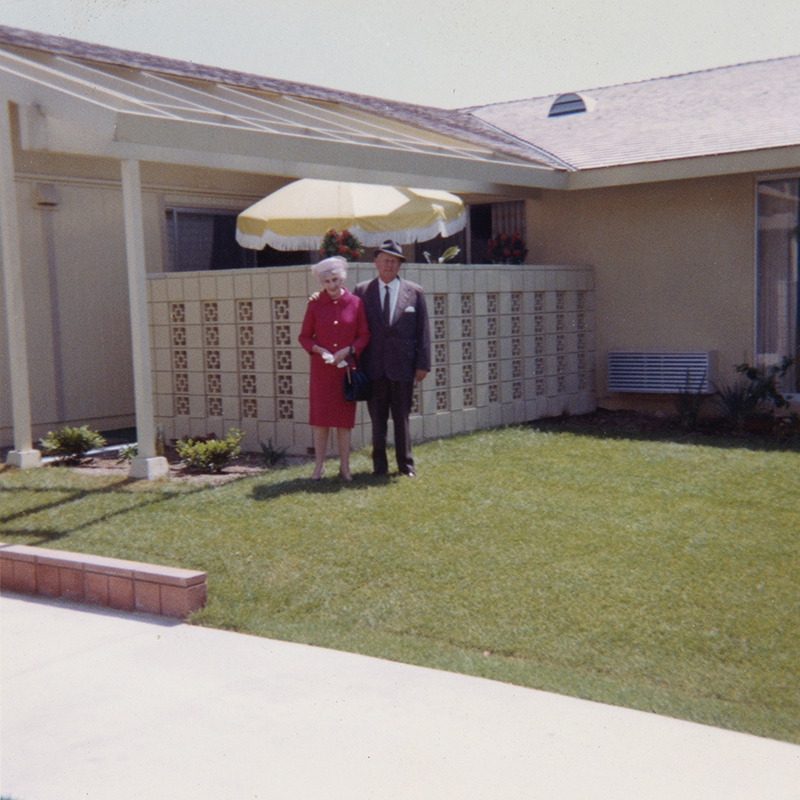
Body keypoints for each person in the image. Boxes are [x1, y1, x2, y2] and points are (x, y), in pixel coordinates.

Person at [353, 240, 431, 477]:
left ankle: (405, 465)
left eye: (394, 261)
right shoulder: (362, 291)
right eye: (385, 260)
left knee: (401, 418)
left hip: (403, 366)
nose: (389, 265)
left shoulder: (415, 292)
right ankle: (379, 466)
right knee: (377, 420)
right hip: (373, 366)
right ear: (376, 262)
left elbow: (423, 331)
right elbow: (350, 320)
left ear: (400, 265)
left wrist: (423, 364)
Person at [299, 256, 370, 481]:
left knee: (343, 423)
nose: (332, 285)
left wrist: (350, 349)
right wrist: (318, 350)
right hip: (322, 372)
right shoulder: (314, 304)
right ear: (321, 282)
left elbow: (364, 335)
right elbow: (304, 337)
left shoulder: (356, 303)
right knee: (321, 422)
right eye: (327, 281)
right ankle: (318, 467)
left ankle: (345, 468)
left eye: (335, 279)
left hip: (345, 371)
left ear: (343, 278)